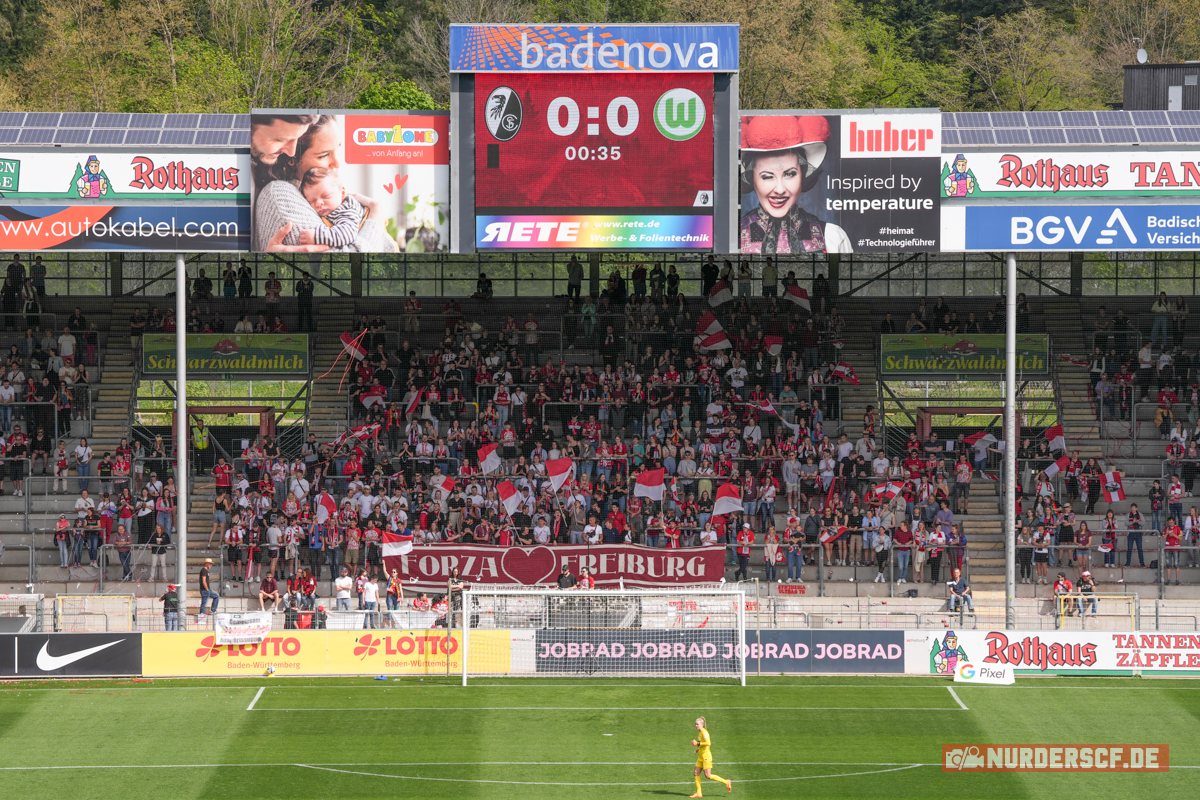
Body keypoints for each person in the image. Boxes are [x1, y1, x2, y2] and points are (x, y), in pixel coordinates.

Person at [739, 115, 852, 254]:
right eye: (767, 176)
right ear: (751, 177)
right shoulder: (732, 237)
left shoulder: (832, 237)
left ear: (802, 174)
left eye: (790, 174)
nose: (780, 190)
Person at [690, 716, 732, 798]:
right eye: (695, 724)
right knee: (696, 772)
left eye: (697, 724)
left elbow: (708, 743)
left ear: (702, 724)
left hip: (706, 757)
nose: (696, 726)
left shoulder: (704, 732)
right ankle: (699, 793)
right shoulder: (700, 733)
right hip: (701, 756)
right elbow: (701, 743)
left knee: (708, 776)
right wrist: (697, 749)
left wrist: (698, 744)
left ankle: (726, 782)